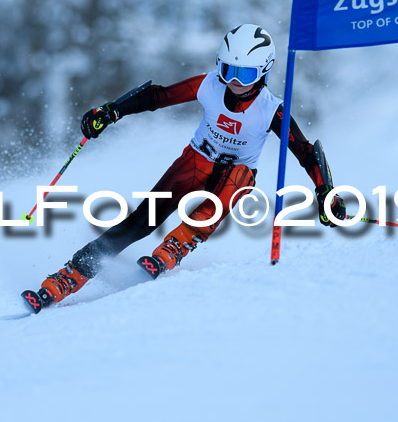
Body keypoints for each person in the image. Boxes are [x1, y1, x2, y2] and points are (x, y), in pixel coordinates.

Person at [26, 24, 346, 310]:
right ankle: (68, 277)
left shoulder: (271, 109)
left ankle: (176, 246)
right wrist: (111, 112)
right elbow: (158, 96)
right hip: (196, 161)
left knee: (235, 184)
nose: (234, 81)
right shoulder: (208, 85)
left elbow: (303, 151)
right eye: (227, 70)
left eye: (245, 74)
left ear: (264, 72)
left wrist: (325, 193)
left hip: (237, 173)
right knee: (141, 221)